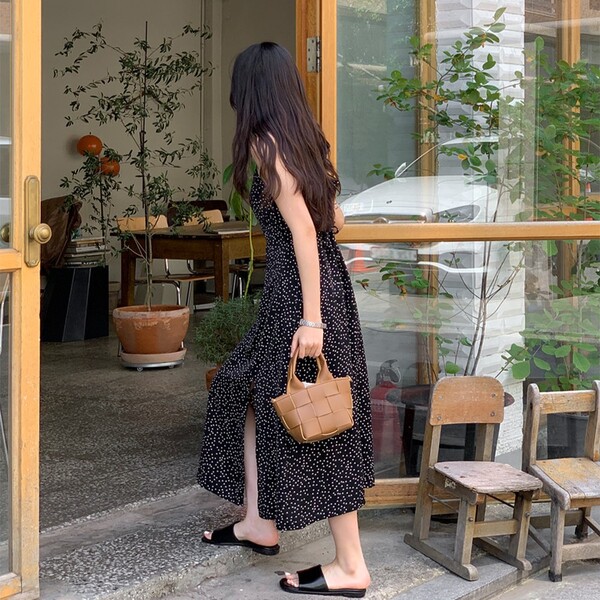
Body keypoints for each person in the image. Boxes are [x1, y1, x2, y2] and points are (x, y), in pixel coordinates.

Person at [198, 41, 374, 598]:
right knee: (246, 389)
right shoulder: (303, 141)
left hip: (302, 297)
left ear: (249, 90)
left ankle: (351, 566)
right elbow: (333, 221)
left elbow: (303, 233)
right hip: (304, 290)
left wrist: (313, 320)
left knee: (319, 417)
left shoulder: (267, 144)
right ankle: (258, 521)